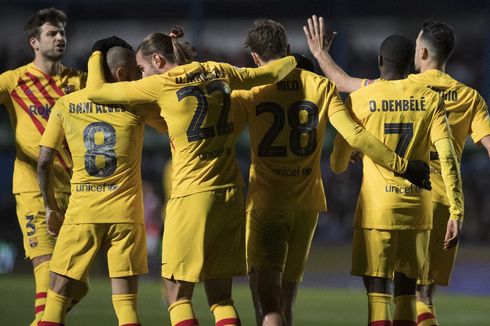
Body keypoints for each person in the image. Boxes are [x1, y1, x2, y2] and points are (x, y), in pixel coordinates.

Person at [84, 27, 298, 326]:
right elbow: (276, 71)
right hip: (230, 194)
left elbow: (95, 91)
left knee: (177, 297)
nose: (141, 76)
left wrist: (98, 48)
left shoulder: (160, 85)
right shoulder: (219, 70)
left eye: (143, 68)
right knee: (221, 298)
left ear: (158, 60)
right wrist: (293, 58)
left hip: (191, 197)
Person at [231, 19, 433, 326]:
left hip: (267, 203)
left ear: (255, 58)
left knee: (267, 305)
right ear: (287, 49)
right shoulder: (321, 86)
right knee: (287, 301)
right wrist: (403, 166)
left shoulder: (251, 89)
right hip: (308, 205)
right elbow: (355, 135)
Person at [304, 16, 490, 325]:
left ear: (423, 53)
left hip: (388, 202)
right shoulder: (469, 97)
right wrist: (459, 210)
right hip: (441, 202)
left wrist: (320, 54)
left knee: (381, 290)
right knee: (421, 296)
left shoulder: (388, 87)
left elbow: (343, 84)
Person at [329, 34, 463, 325]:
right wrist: (456, 210)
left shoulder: (360, 99)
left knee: (378, 296)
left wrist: (351, 154)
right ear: (411, 66)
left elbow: (337, 166)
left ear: (379, 61)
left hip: (378, 211)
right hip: (418, 210)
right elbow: (448, 157)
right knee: (407, 294)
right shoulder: (429, 99)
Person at [37, 44, 167, 326]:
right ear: (121, 74)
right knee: (127, 307)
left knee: (56, 299)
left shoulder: (66, 104)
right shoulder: (136, 105)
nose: (137, 79)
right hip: (126, 217)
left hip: (82, 213)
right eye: (134, 73)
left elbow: (44, 161)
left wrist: (50, 207)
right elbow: (173, 126)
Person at [0, 8, 87, 324]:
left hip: (74, 193)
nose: (61, 37)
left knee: (76, 286)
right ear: (33, 42)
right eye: (53, 33)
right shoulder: (14, 81)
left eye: (62, 31)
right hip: (33, 189)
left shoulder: (80, 82)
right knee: (47, 272)